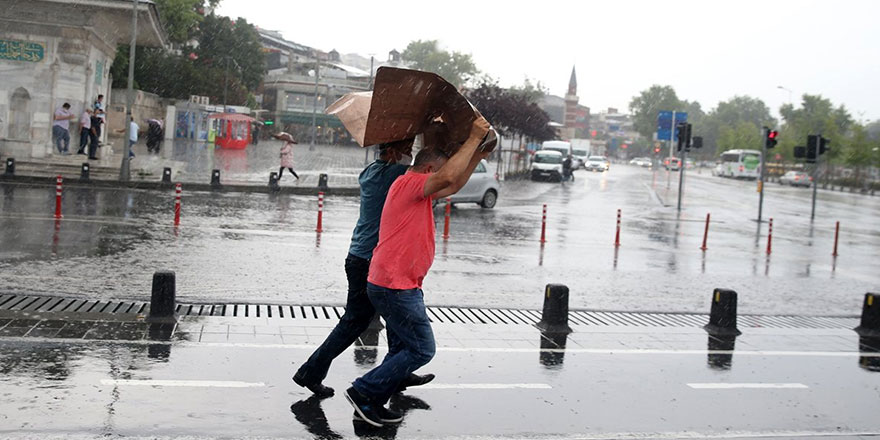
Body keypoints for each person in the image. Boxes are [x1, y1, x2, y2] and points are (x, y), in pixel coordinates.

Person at [344, 116, 491, 427]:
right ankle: (364, 392)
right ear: (428, 171)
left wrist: (477, 154)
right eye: (438, 174)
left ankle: (375, 400)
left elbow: (452, 182)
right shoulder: (410, 183)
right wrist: (473, 137)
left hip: (394, 282)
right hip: (395, 286)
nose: (443, 181)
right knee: (423, 349)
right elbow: (448, 175)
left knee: (400, 347)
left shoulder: (411, 187)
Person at [293, 138, 433, 399]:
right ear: (391, 152)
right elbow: (428, 177)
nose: (410, 157)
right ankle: (311, 372)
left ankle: (398, 372)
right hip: (371, 259)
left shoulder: (369, 171)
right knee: (354, 322)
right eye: (406, 151)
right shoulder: (396, 174)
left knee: (394, 316)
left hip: (359, 256)